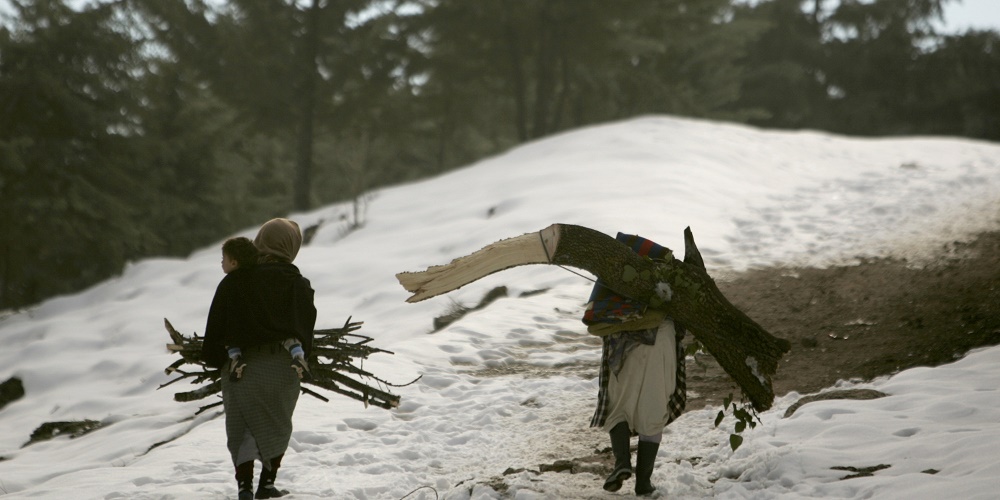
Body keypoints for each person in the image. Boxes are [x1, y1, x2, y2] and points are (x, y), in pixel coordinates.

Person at [202, 218, 318, 500]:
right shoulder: (298, 284)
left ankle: (243, 487)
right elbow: (304, 333)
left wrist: (220, 361)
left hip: (240, 369)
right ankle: (266, 485)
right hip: (280, 369)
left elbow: (215, 331)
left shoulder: (234, 281)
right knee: (275, 424)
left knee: (241, 428)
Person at [584, 233, 687, 497]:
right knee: (653, 414)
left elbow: (595, 315)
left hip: (623, 347)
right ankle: (643, 482)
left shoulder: (610, 279)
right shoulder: (666, 277)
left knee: (617, 410)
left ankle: (621, 464)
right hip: (660, 343)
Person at [219, 237, 311, 384]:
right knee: (291, 339)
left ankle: (235, 359)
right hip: (284, 354)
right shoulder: (297, 279)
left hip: (245, 343)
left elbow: (219, 318)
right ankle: (298, 356)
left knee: (231, 339)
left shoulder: (237, 280)